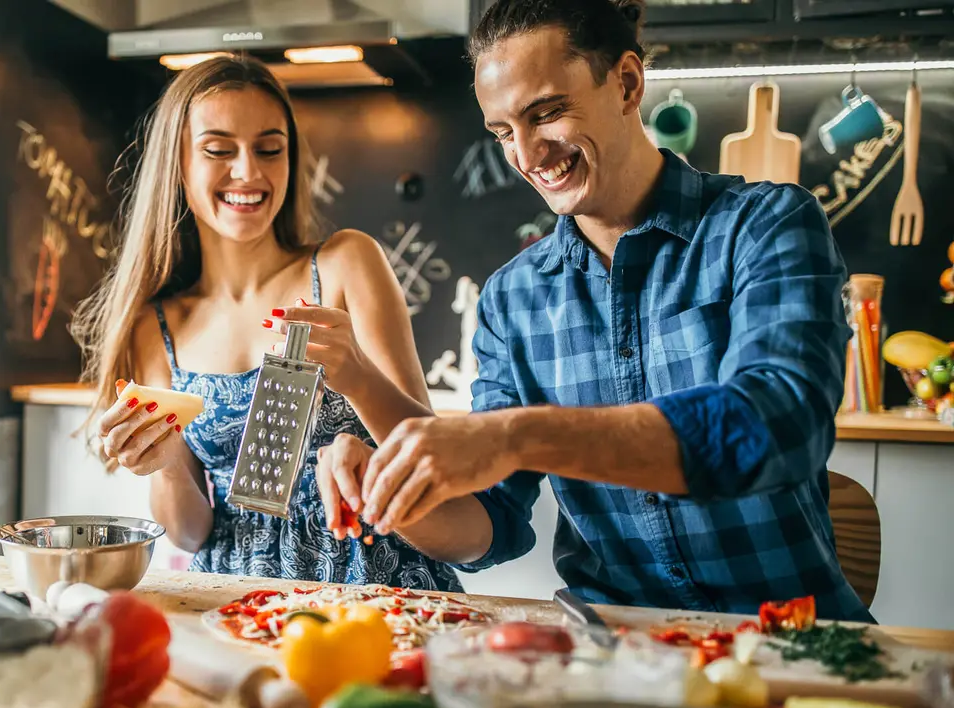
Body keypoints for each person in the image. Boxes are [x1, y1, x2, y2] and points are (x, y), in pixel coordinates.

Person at [316, 0, 873, 622]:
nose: (527, 155)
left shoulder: (766, 224)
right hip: (615, 651)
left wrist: (515, 436)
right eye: (503, 132)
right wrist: (396, 494)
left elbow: (778, 425)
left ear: (627, 83)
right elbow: (488, 527)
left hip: (793, 641)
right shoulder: (513, 299)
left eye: (546, 113)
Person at [69, 54, 461, 592]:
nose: (249, 172)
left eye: (269, 149)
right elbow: (188, 533)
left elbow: (427, 447)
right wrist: (161, 466)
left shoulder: (346, 264)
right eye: (218, 150)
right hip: (236, 597)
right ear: (177, 164)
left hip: (375, 581)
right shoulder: (155, 326)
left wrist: (368, 435)